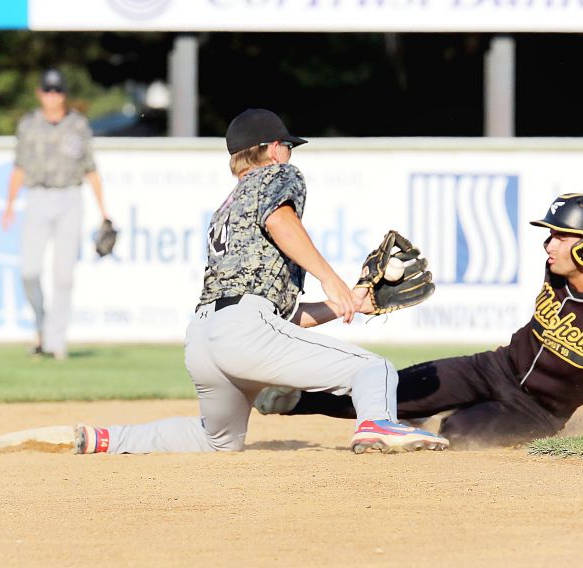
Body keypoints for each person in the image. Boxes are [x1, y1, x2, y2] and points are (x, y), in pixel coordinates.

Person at [74, 108, 449, 455]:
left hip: (204, 339)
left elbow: (273, 317)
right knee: (374, 369)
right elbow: (280, 222)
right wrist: (330, 279)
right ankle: (378, 425)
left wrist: (347, 303)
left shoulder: (228, 206)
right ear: (272, 149)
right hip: (243, 330)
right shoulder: (278, 174)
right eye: (287, 147)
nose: (290, 156)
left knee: (216, 439)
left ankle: (107, 439)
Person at [256, 193, 583, 448]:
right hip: (494, 367)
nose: (548, 245)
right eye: (550, 235)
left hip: (537, 413)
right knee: (395, 391)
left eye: (561, 237)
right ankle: (294, 401)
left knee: (460, 434)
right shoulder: (557, 272)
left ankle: (433, 419)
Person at [1, 68, 109, 360]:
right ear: (40, 94)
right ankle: (41, 325)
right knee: (29, 271)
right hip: (37, 196)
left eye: (57, 91)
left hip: (69, 197)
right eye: (48, 91)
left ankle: (55, 342)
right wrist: (10, 204)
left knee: (63, 275)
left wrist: (104, 213)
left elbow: (90, 169)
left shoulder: (78, 125)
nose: (52, 96)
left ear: (64, 94)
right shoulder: (28, 125)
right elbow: (19, 166)